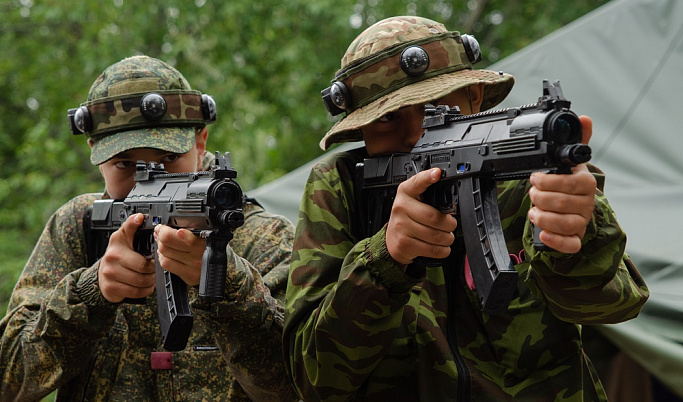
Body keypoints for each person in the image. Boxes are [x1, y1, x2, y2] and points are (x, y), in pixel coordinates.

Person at [283, 16, 650, 401]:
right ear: (362, 131)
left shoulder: (531, 171)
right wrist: (384, 261)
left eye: (435, 107)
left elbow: (610, 306)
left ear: (474, 96)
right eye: (388, 118)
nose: (414, 135)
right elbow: (315, 379)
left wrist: (575, 236)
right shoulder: (340, 187)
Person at [0, 55, 298, 401]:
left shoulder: (264, 239)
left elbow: (296, 384)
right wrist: (89, 294)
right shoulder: (79, 226)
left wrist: (231, 287)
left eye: (168, 159)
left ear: (200, 141)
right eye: (125, 164)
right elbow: (8, 378)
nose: (148, 179)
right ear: (95, 154)